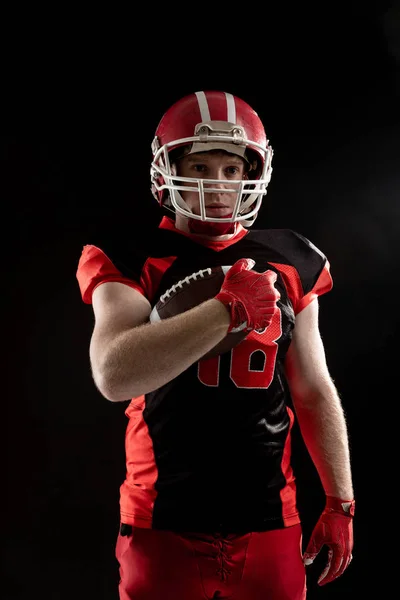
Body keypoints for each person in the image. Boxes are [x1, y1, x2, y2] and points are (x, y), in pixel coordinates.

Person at [76, 90, 355, 600]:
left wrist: (340, 501)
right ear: (167, 169)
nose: (218, 185)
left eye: (231, 169)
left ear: (255, 170)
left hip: (270, 517)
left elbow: (313, 387)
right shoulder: (132, 255)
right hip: (162, 518)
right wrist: (226, 311)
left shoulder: (291, 258)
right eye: (200, 165)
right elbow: (113, 375)